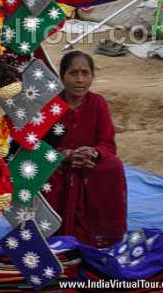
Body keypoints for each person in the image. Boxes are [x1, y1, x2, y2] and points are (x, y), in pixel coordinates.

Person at [43, 51, 127, 248]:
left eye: (85, 73)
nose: (79, 80)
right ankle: (53, 230)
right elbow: (44, 146)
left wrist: (92, 153)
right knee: (45, 172)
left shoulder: (97, 104)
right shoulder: (52, 106)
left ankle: (104, 233)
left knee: (113, 166)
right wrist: (68, 155)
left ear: (92, 77)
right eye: (73, 73)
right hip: (60, 164)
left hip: (90, 163)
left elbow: (107, 143)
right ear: (62, 77)